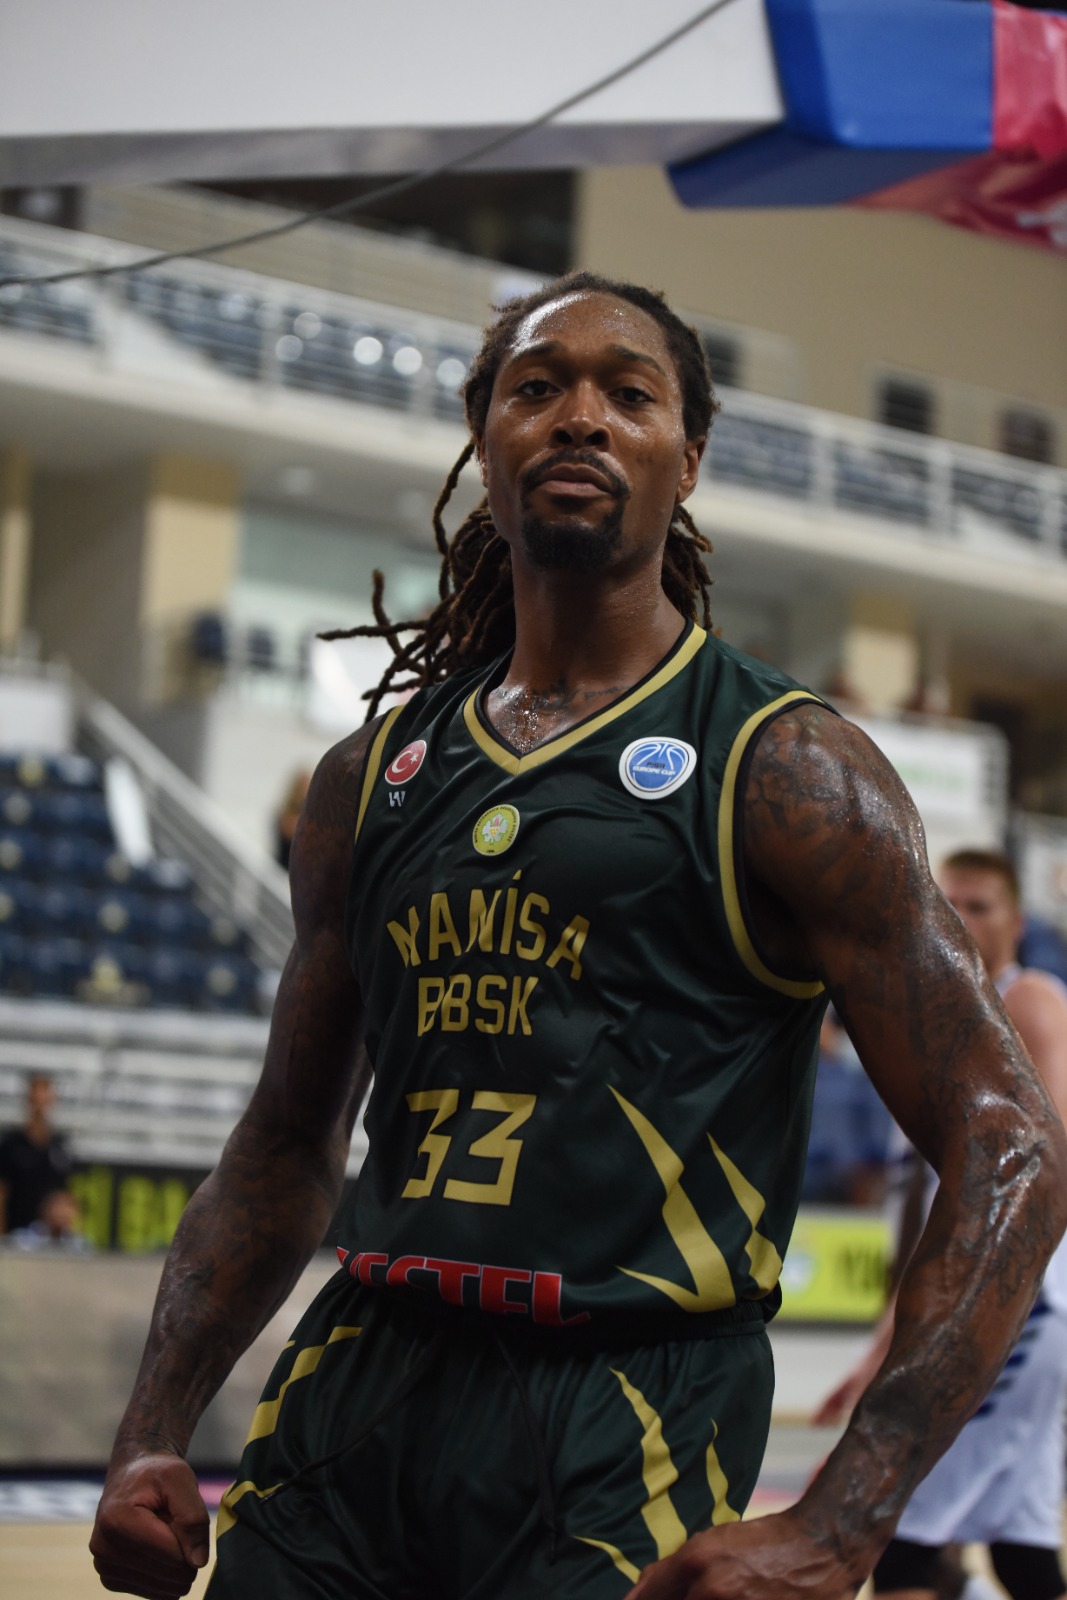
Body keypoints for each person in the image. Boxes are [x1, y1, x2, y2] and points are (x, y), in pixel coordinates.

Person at [89, 272, 1067, 1600]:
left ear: (688, 459)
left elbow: (1011, 1144)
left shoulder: (786, 769)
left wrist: (844, 1519)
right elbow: (281, 1142)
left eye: (628, 392)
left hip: (625, 1414)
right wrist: (152, 1426)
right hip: (357, 1380)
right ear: (483, 440)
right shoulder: (368, 781)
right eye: (537, 386)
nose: (580, 418)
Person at [815, 848, 1067, 1600]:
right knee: (1019, 1550)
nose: (959, 917)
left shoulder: (1028, 1000)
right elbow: (920, 1215)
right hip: (985, 1302)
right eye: (948, 902)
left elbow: (1048, 1160)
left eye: (979, 904)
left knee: (899, 1540)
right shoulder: (931, 1025)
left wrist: (952, 1326)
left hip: (1016, 1304)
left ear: (1016, 923)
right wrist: (884, 1342)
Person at [0, 1072, 73, 1235]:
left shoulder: (60, 1145)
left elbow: (64, 1196)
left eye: (44, 1097)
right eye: (36, 1097)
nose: (40, 1104)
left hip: (49, 1236)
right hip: (16, 1233)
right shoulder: (12, 1144)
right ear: (28, 1099)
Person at [5, 1186, 93, 1253]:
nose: (65, 1212)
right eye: (59, 1205)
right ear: (46, 1209)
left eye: (70, 1206)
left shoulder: (80, 1244)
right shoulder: (21, 1239)